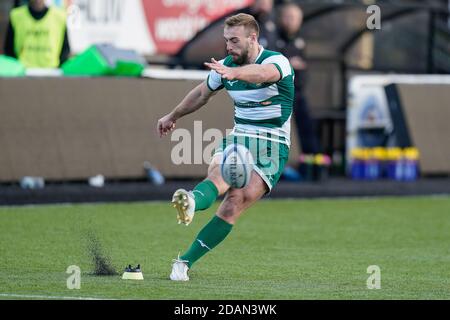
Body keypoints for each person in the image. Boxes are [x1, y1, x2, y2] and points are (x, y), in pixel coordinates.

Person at [157, 13, 294, 281]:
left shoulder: (277, 61)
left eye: (234, 40)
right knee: (219, 175)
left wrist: (233, 72)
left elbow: (263, 74)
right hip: (241, 136)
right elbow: (200, 94)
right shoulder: (226, 66)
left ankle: (184, 262)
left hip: (273, 145)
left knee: (234, 203)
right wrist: (172, 116)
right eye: (226, 40)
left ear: (253, 38)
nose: (228, 47)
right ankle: (192, 201)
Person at [268, 3, 321, 157]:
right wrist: (288, 64)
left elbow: (304, 67)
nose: (293, 21)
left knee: (306, 124)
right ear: (282, 18)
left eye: (296, 18)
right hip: (277, 93)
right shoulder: (273, 38)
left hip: (297, 91)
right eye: (289, 17)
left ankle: (311, 161)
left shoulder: (300, 41)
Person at [3, 0, 70, 68]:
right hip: (23, 72)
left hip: (52, 71)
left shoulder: (59, 16)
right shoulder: (16, 15)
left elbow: (65, 49)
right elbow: (9, 48)